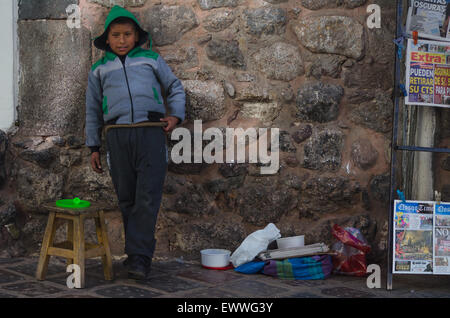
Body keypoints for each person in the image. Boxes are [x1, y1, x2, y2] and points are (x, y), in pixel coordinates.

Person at [85, 5, 186, 280]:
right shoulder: (99, 70)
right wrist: (93, 147)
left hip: (150, 133)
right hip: (117, 137)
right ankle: (135, 255)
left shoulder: (151, 60)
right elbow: (92, 109)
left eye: (127, 34)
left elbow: (174, 87)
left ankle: (140, 257)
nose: (121, 40)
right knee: (127, 197)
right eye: (115, 35)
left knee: (147, 195)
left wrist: (175, 115)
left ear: (136, 35)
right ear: (107, 38)